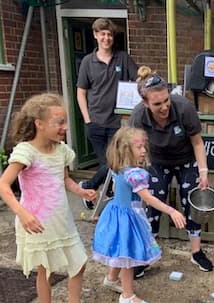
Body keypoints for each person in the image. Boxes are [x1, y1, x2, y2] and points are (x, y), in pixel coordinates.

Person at [0, 93, 106, 303]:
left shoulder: (61, 151)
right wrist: (22, 214)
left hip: (62, 220)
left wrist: (81, 191)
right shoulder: (26, 152)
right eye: (59, 122)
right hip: (37, 223)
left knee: (79, 261)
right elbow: (3, 186)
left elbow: (64, 178)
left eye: (65, 122)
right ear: (39, 123)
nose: (65, 128)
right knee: (46, 270)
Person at [128, 67, 214, 272]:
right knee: (154, 202)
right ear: (145, 102)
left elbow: (197, 142)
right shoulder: (139, 116)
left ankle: (196, 252)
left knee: (192, 201)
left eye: (166, 100)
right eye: (157, 103)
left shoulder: (183, 107)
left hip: (185, 160)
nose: (165, 106)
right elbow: (130, 145)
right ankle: (148, 255)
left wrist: (203, 171)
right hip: (156, 161)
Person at [91, 127, 186, 303]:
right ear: (126, 150)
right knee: (128, 256)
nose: (143, 151)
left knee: (120, 250)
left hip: (116, 213)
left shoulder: (118, 168)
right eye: (138, 147)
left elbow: (114, 187)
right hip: (126, 217)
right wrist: (172, 211)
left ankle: (111, 279)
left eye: (144, 146)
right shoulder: (134, 174)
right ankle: (127, 296)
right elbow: (148, 198)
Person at [76, 17, 138, 209]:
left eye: (109, 34)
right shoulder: (88, 61)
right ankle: (95, 189)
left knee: (114, 163)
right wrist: (87, 120)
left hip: (116, 123)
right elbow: (81, 92)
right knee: (110, 165)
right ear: (95, 35)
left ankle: (90, 187)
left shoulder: (123, 58)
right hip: (95, 122)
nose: (106, 38)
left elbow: (138, 80)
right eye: (102, 34)